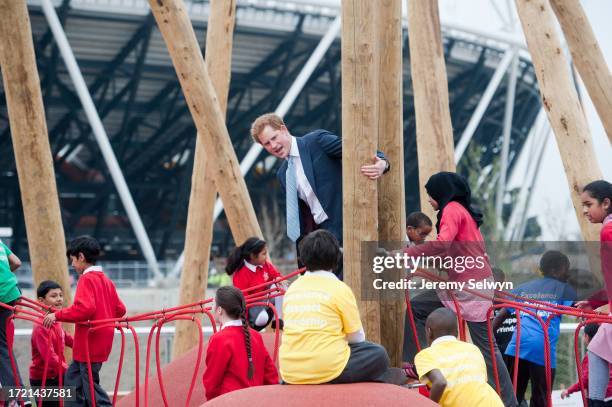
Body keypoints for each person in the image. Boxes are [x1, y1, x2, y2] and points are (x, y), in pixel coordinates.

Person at [402, 172, 517, 407]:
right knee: (419, 307)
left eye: (431, 196)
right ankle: (423, 366)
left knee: (488, 349)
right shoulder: (460, 212)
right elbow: (448, 253)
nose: (430, 201)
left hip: (470, 287)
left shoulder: (452, 210)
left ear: (441, 192)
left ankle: (421, 367)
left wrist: (406, 253)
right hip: (468, 283)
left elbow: (443, 244)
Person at [250, 113, 390, 277]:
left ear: (284, 129)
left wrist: (382, 162)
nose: (273, 145)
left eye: (274, 137)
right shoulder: (283, 174)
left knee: (364, 285)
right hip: (321, 239)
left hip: (348, 226)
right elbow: (300, 219)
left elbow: (357, 149)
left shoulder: (316, 142)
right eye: (267, 143)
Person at [279, 230, 402, 385]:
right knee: (378, 353)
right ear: (336, 258)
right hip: (329, 367)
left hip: (291, 371)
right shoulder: (339, 288)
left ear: (303, 259)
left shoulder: (292, 289)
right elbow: (357, 338)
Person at [43, 236, 126, 407]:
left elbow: (84, 309)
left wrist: (57, 315)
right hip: (99, 341)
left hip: (90, 343)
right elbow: (120, 309)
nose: (72, 265)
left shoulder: (87, 279)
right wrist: (108, 319)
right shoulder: (106, 280)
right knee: (73, 380)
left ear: (81, 257)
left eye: (72, 260)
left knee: (90, 386)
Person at [495, 250, 577, 407]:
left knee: (512, 396)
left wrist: (489, 340)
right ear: (556, 270)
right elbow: (581, 307)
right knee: (541, 398)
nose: (568, 273)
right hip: (542, 349)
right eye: (566, 269)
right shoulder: (565, 289)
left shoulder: (523, 288)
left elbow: (500, 316)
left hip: (517, 347)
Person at [414, 307, 503, 407]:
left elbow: (440, 383)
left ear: (429, 331)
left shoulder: (425, 355)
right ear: (456, 332)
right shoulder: (473, 349)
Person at [203, 286, 279, 400]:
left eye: (213, 304)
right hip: (256, 401)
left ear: (219, 310)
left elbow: (212, 384)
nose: (211, 308)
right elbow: (270, 375)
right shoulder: (256, 336)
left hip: (230, 402)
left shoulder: (219, 339)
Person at [577, 180, 612, 407]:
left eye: (588, 204)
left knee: (596, 349)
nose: (585, 211)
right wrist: (593, 301)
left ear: (606, 203)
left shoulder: (608, 231)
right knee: (597, 347)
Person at [226, 237, 286, 331]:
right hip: (254, 305)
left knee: (281, 285)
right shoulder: (241, 274)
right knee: (262, 319)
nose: (266, 256)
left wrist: (278, 278)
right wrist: (244, 322)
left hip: (266, 298)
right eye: (263, 254)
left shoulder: (264, 265)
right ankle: (254, 325)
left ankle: (278, 319)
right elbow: (243, 300)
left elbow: (275, 274)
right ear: (253, 256)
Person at [30, 281, 74, 407]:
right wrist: (69, 370)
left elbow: (66, 337)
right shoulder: (41, 326)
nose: (59, 299)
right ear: (41, 301)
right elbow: (50, 357)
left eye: (61, 295)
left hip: (58, 373)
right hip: (44, 379)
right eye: (54, 296)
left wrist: (84, 348)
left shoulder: (55, 320)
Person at [0, 239, 27, 406]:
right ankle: (19, 396)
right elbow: (16, 262)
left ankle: (16, 398)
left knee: (2, 348)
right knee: (4, 347)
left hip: (2, 296)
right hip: (11, 292)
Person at [561, 323, 612, 404]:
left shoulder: (591, 355)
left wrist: (569, 390)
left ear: (586, 336)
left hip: (602, 398)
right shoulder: (607, 351)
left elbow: (585, 379)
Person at [492, 268, 516, 357]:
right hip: (514, 355)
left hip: (497, 357)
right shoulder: (515, 303)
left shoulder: (485, 307)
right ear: (505, 282)